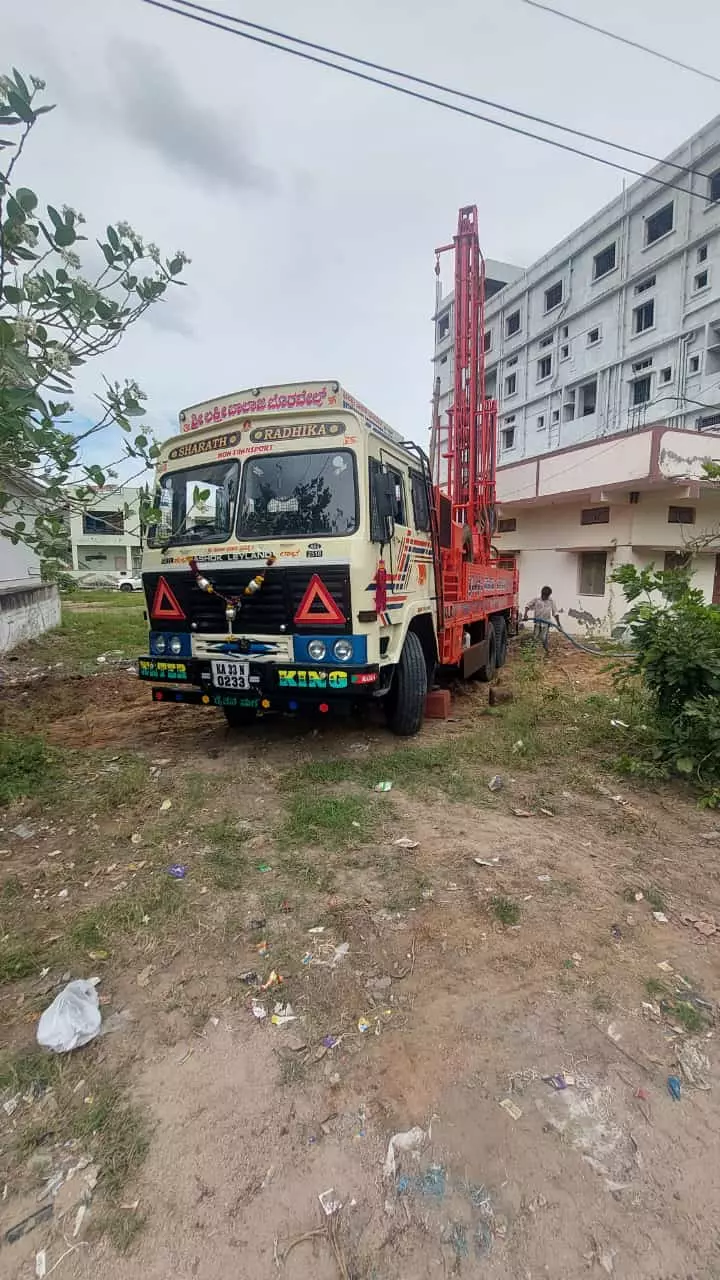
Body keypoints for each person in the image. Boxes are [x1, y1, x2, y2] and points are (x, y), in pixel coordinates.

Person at [523, 585, 560, 653]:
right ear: (541, 593)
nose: (544, 597)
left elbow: (555, 613)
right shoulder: (537, 599)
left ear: (549, 595)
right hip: (537, 622)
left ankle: (545, 649)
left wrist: (558, 624)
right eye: (543, 595)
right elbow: (527, 605)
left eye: (546, 596)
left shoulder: (551, 601)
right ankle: (532, 650)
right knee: (535, 636)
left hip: (546, 622)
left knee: (543, 637)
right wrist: (525, 614)